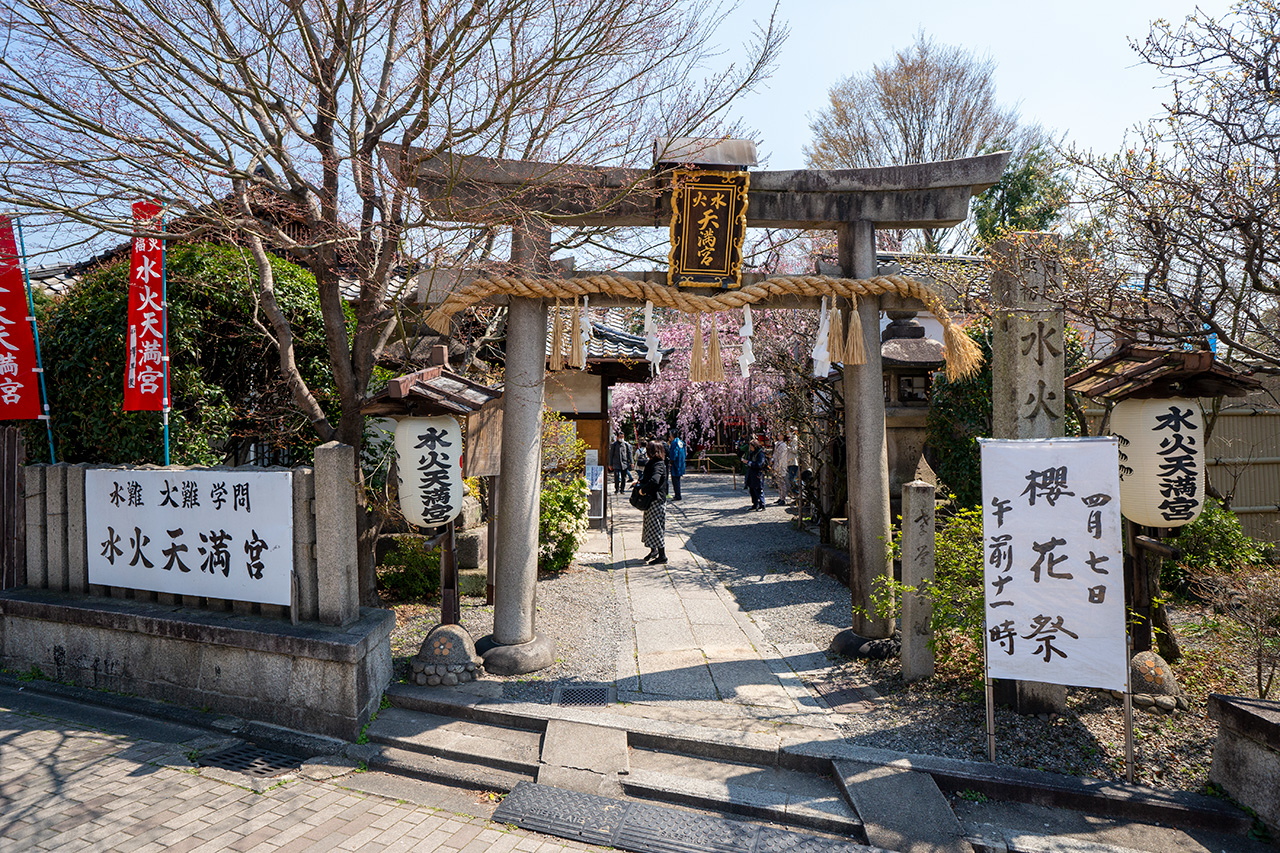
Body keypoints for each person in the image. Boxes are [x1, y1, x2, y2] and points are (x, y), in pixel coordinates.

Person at [638, 440, 669, 564]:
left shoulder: (659, 464)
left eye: (648, 449)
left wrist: (643, 490)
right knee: (649, 526)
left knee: (656, 528)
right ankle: (654, 550)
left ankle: (662, 556)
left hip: (657, 500)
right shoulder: (653, 462)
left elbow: (655, 481)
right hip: (652, 500)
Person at [743, 437, 767, 511]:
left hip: (758, 473)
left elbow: (759, 464)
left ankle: (762, 505)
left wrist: (749, 463)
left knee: (758, 489)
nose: (750, 448)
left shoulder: (760, 453)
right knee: (752, 489)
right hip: (751, 473)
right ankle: (755, 504)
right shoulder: (752, 453)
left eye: (751, 446)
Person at [772, 433, 795, 505]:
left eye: (780, 435)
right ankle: (780, 496)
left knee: (782, 481)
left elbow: (782, 456)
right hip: (776, 463)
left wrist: (779, 465)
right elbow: (775, 454)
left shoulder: (784, 445)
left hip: (781, 465)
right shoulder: (777, 444)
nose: (778, 436)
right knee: (778, 481)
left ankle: (783, 498)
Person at [667, 430, 687, 501]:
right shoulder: (681, 442)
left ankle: (677, 495)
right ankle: (678, 494)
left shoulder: (674, 443)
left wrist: (671, 461)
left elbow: (674, 453)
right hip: (681, 462)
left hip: (675, 464)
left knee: (675, 480)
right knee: (677, 480)